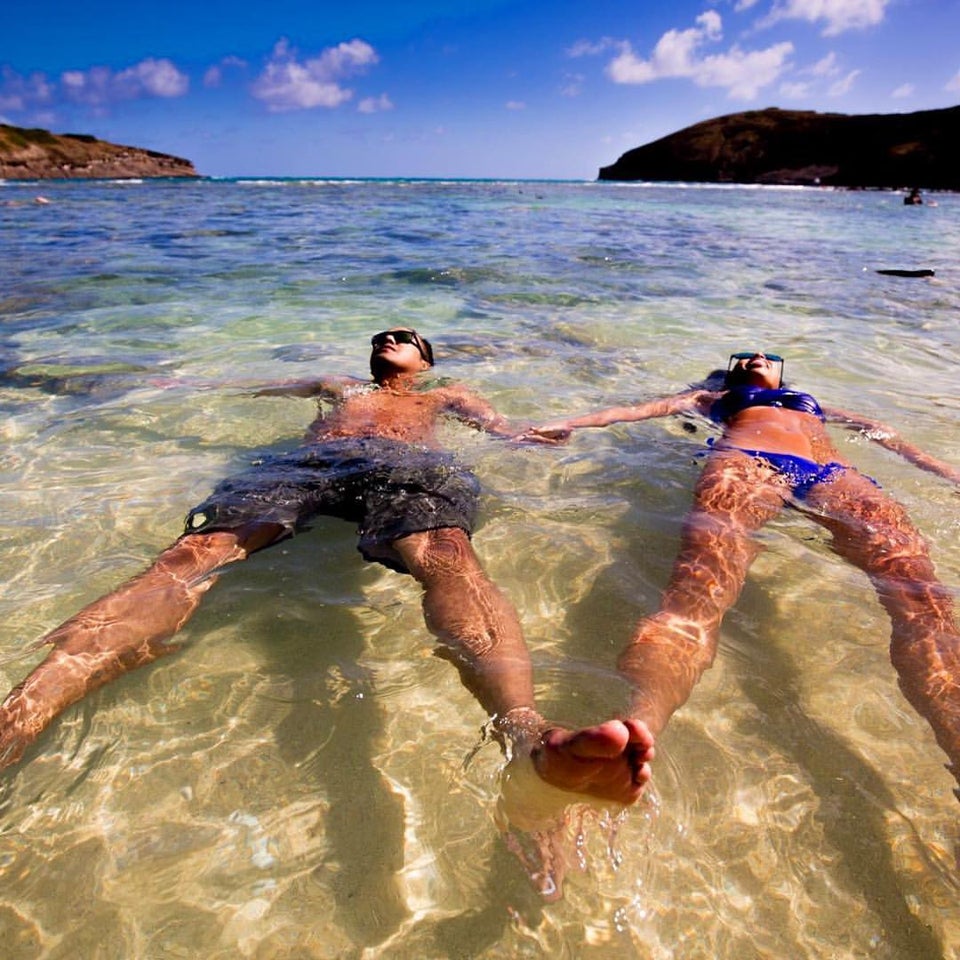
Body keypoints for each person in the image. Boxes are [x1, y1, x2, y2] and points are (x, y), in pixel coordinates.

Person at [0, 328, 653, 804]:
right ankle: (20, 716)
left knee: (450, 563)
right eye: (384, 336)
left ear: (425, 361)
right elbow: (231, 387)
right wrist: (142, 385)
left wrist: (537, 433)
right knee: (190, 558)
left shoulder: (448, 393)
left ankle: (526, 736)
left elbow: (504, 425)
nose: (392, 338)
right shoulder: (335, 386)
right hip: (308, 465)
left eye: (407, 338)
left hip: (407, 465)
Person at [529, 351, 960, 797]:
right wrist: (570, 423)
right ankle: (638, 728)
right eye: (745, 357)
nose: (756, 358)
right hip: (745, 465)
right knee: (695, 597)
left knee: (920, 595)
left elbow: (886, 435)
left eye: (767, 358)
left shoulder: (810, 402)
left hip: (836, 476)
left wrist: (946, 472)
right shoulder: (709, 396)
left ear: (780, 373)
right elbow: (637, 410)